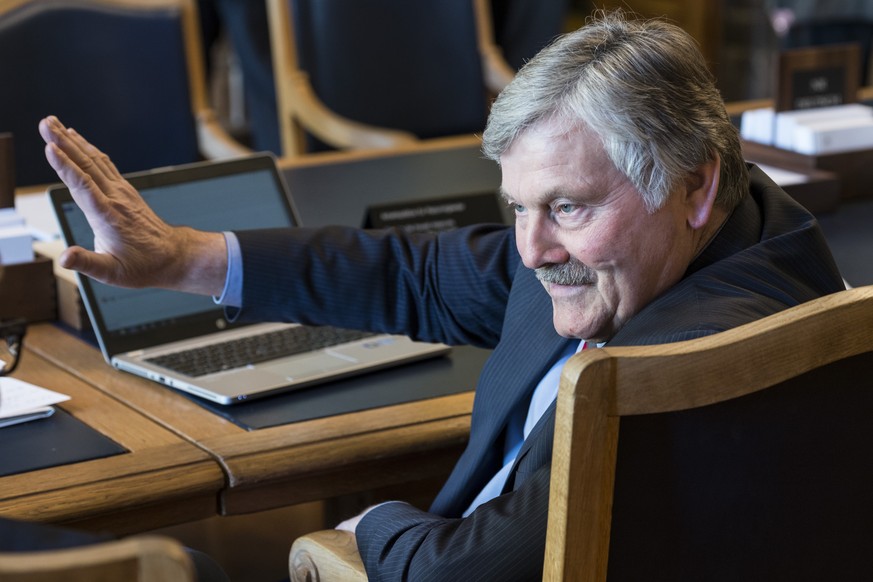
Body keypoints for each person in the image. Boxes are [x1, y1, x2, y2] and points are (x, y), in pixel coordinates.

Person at [39, 10, 844, 581]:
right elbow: (415, 274)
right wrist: (184, 258)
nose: (531, 249)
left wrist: (378, 522)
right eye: (517, 208)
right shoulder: (691, 235)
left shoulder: (697, 361)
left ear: (693, 184)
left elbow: (467, 571)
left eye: (566, 206)